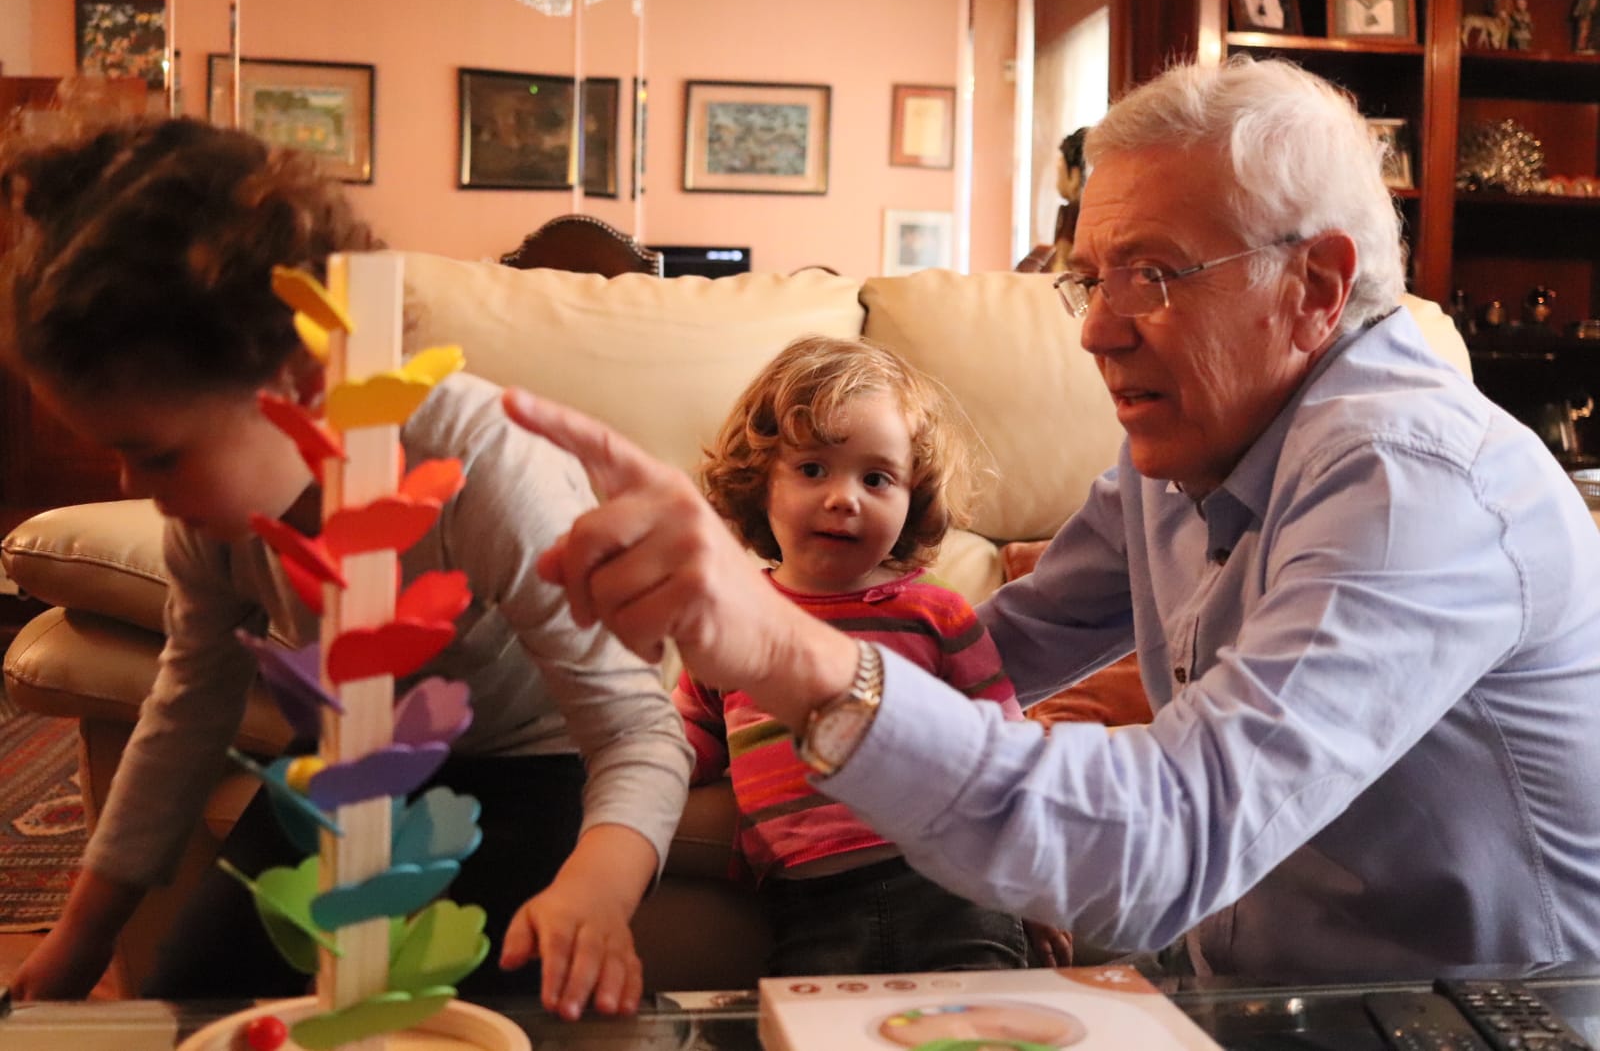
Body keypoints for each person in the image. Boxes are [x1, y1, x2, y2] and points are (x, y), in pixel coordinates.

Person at [501, 55, 1600, 979]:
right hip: (1244, 991)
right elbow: (987, 649)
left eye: (1152, 275)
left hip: (1462, 1020)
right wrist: (765, 645)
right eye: (1091, 279)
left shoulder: (1411, 484)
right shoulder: (1186, 447)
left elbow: (1167, 838)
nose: (1094, 331)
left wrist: (789, 650)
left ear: (1314, 287)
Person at [0, 116, 692, 1019]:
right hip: (350, 746)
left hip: (536, 760)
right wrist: (82, 934)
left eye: (156, 454)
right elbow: (189, 710)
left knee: (478, 1016)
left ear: (300, 377)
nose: (135, 487)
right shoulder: (211, 520)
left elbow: (638, 730)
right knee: (197, 1000)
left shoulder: (487, 465)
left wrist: (595, 891)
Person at [674, 336, 1065, 976]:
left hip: (953, 889)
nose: (844, 498)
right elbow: (692, 730)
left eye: (876, 478)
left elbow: (1006, 753)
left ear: (914, 499)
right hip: (807, 904)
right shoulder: (732, 618)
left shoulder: (939, 616)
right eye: (812, 469)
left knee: (982, 1021)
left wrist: (1036, 887)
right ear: (759, 481)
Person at [1016, 127, 1088, 275]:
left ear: (1074, 175)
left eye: (1060, 170)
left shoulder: (1072, 213)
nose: (1057, 180)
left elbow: (1061, 267)